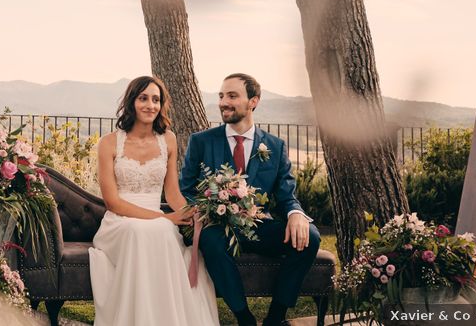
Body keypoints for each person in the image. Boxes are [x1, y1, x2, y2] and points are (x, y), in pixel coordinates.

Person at [180, 73, 321, 326]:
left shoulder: (275, 146)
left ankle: (276, 316)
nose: (224, 102)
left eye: (232, 96)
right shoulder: (201, 141)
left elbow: (287, 194)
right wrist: (207, 208)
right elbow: (186, 187)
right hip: (216, 227)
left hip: (259, 226)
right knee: (211, 239)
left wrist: (296, 214)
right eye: (222, 96)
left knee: (310, 237)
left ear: (253, 101)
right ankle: (244, 318)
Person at [89, 76, 219, 326]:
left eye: (156, 99)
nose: (150, 105)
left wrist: (191, 212)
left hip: (156, 220)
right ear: (132, 102)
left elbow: (171, 192)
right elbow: (113, 202)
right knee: (142, 230)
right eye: (143, 98)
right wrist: (165, 217)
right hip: (120, 221)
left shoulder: (167, 139)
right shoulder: (108, 143)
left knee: (159, 231)